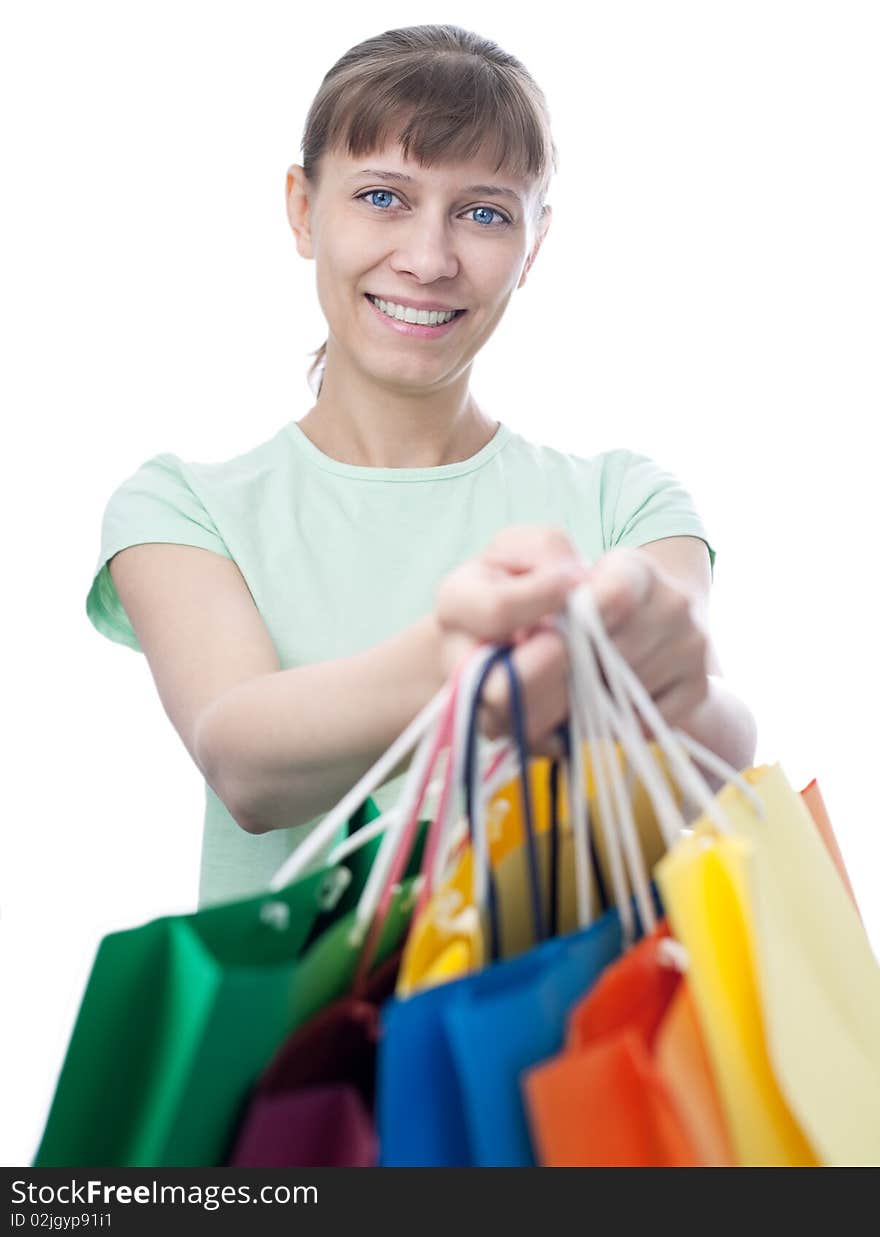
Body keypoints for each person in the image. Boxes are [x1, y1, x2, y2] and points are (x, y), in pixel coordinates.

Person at [86, 24, 757, 910]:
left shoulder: (626, 502)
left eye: (483, 213)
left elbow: (704, 752)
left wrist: (666, 680)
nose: (430, 258)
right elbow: (244, 764)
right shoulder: (181, 508)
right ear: (301, 208)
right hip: (303, 1049)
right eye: (383, 197)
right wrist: (460, 657)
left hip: (564, 1040)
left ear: (535, 244)